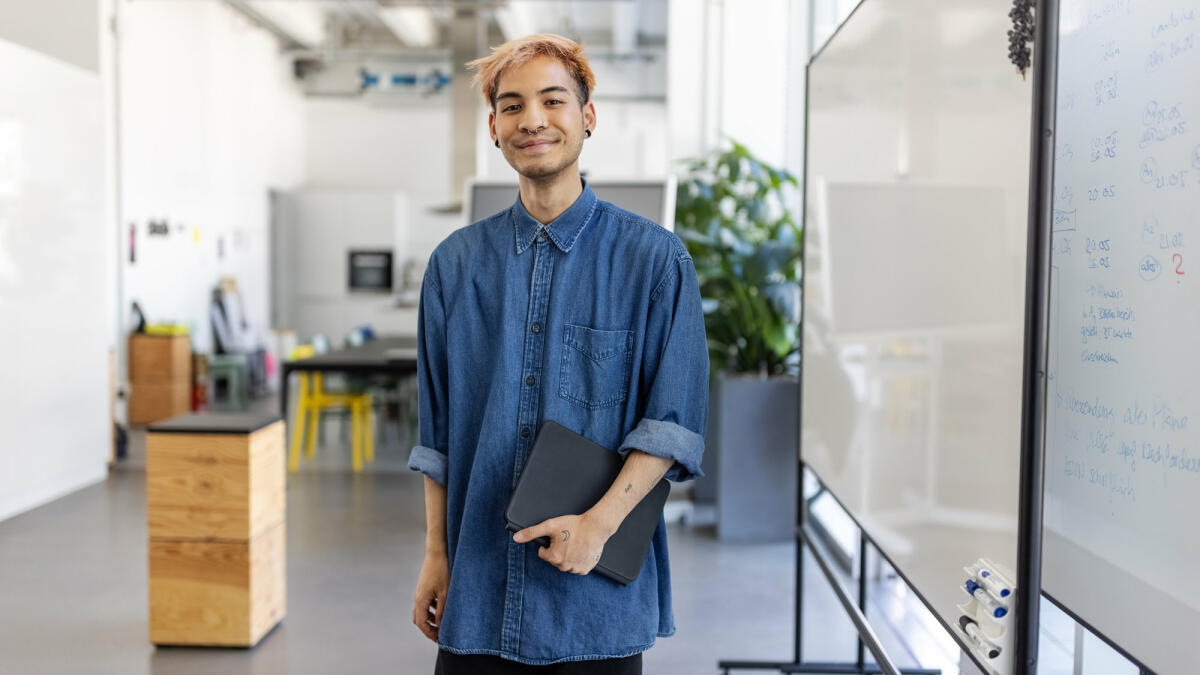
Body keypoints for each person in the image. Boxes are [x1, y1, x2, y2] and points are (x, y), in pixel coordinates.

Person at [408, 33, 709, 674]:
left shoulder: (655, 260)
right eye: (512, 106)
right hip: (478, 594)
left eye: (553, 100)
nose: (533, 120)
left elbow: (671, 424)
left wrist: (598, 526)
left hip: (591, 601)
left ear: (587, 116)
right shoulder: (454, 266)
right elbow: (438, 437)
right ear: (494, 127)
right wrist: (437, 555)